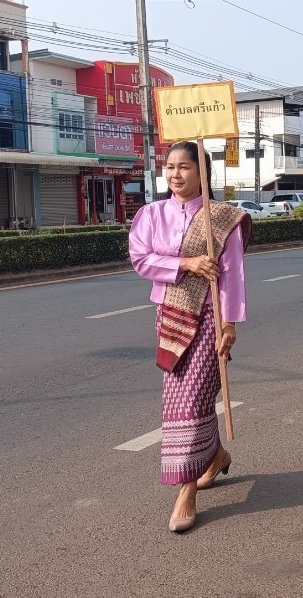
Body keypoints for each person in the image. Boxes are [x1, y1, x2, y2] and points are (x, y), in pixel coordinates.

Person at [128, 141, 248, 533]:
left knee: (193, 397)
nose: (175, 174)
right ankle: (215, 455)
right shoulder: (151, 214)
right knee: (180, 397)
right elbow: (141, 260)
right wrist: (186, 263)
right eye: (170, 166)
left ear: (202, 172)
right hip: (171, 315)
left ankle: (186, 489)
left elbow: (233, 274)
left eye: (184, 166)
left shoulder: (223, 218)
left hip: (211, 316)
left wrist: (230, 324)